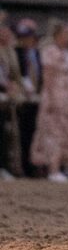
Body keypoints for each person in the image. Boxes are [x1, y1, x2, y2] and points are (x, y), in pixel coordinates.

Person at [29, 21, 68, 182]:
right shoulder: (50, 51)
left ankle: (62, 166)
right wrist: (52, 99)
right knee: (53, 133)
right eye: (67, 33)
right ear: (58, 34)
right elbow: (48, 76)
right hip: (55, 96)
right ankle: (53, 169)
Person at [13, 17, 42, 177]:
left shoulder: (36, 53)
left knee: (35, 134)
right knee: (22, 135)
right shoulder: (17, 52)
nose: (25, 40)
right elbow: (18, 75)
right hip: (22, 99)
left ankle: (33, 167)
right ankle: (23, 167)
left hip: (37, 99)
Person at [0, 15, 23, 179]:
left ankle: (4, 166)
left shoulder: (10, 52)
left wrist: (14, 86)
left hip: (5, 99)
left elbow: (15, 75)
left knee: (5, 134)